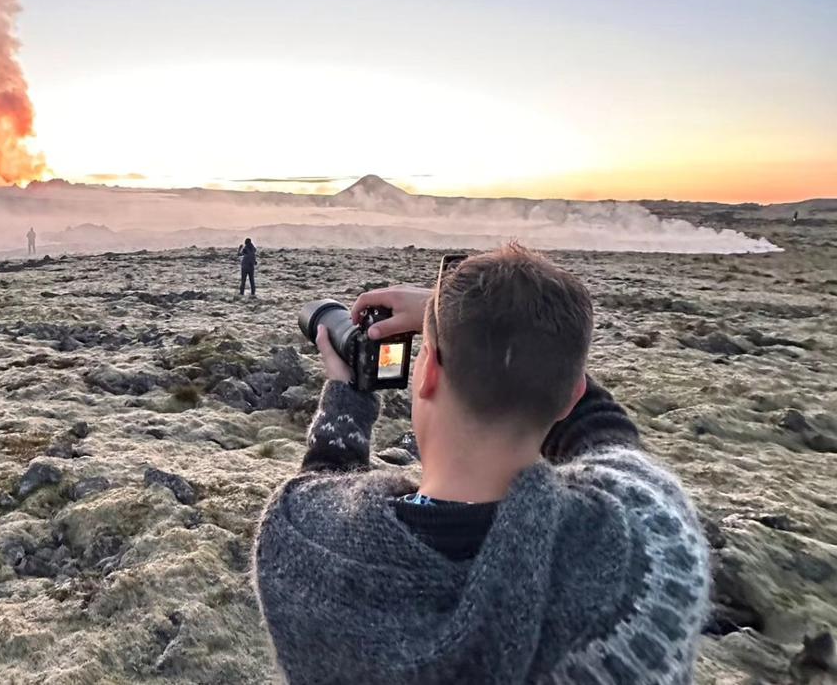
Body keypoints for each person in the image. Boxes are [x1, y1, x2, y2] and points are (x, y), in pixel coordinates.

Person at [254, 243, 710, 684]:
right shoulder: (655, 546)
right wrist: (467, 319)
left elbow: (319, 495)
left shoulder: (302, 544)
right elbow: (607, 435)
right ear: (570, 395)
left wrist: (346, 400)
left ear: (428, 370)